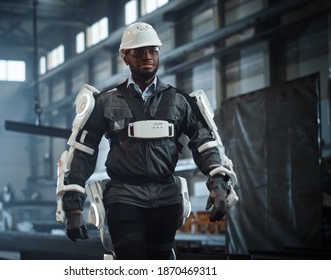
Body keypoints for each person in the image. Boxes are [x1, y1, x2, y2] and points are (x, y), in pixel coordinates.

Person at [57, 22, 236, 259]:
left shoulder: (180, 101)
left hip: (166, 198)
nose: (147, 56)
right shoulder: (105, 102)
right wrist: (73, 206)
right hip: (124, 196)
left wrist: (219, 182)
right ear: (124, 56)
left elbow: (205, 143)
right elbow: (82, 152)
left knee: (160, 263)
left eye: (152, 50)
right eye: (139, 51)